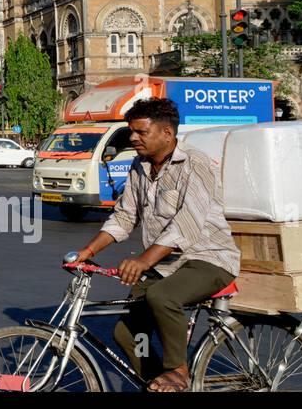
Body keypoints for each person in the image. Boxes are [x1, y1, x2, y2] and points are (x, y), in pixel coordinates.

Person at [72, 97, 240, 393]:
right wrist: (88, 251)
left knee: (162, 297)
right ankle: (158, 384)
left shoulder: (195, 164)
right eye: (131, 132)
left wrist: (143, 261)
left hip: (208, 258)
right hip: (165, 264)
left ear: (167, 133)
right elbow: (125, 215)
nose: (133, 138)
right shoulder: (140, 166)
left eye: (141, 132)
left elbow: (186, 226)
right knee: (127, 333)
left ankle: (177, 372)